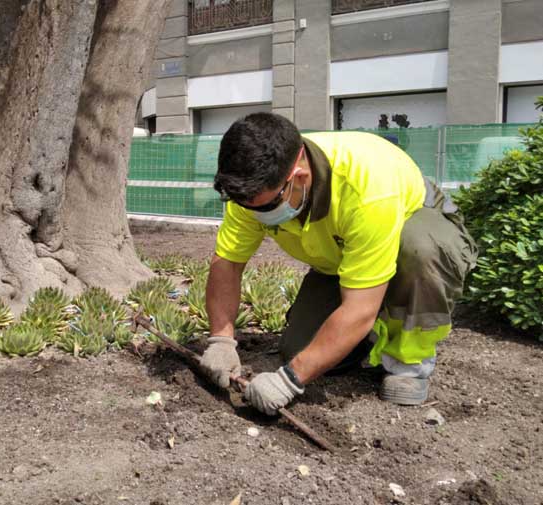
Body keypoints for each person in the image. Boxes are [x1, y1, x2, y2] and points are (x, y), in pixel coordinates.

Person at [199, 113, 477, 414]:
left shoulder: (367, 190)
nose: (256, 214)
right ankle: (376, 327)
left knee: (418, 249)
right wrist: (222, 339)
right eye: (246, 206)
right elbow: (227, 263)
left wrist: (290, 380)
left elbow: (359, 309)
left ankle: (410, 359)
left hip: (413, 223)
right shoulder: (252, 191)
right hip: (343, 255)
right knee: (300, 350)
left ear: (299, 178)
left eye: (267, 207)